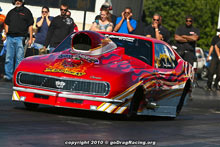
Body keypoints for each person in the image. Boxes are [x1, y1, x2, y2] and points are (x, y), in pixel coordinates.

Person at [2, 0, 34, 82]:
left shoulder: (27, 12)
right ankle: (8, 76)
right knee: (9, 58)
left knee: (19, 58)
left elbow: (30, 26)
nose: (18, 2)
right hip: (10, 37)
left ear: (23, 1)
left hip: (20, 38)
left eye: (19, 0)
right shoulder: (11, 12)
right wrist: (6, 34)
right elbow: (6, 23)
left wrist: (30, 38)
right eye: (16, 0)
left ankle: (16, 76)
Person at [0, 6, 6, 79]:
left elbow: (5, 27)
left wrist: (4, 35)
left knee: (1, 56)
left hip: (0, 36)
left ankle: (1, 72)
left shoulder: (3, 17)